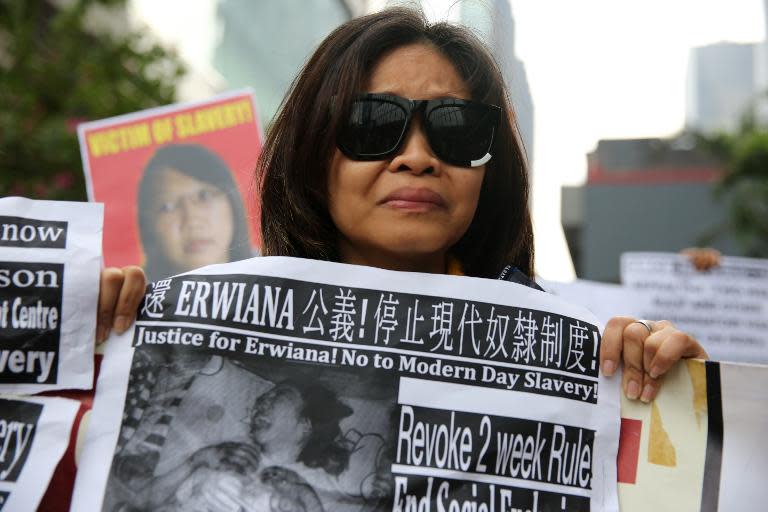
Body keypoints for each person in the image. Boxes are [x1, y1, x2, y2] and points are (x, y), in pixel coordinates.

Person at [96, 7, 706, 414]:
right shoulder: (204, 333)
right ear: (312, 154)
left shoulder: (579, 351)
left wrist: (670, 394)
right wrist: (91, 348)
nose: (417, 157)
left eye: (457, 129)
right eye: (373, 123)